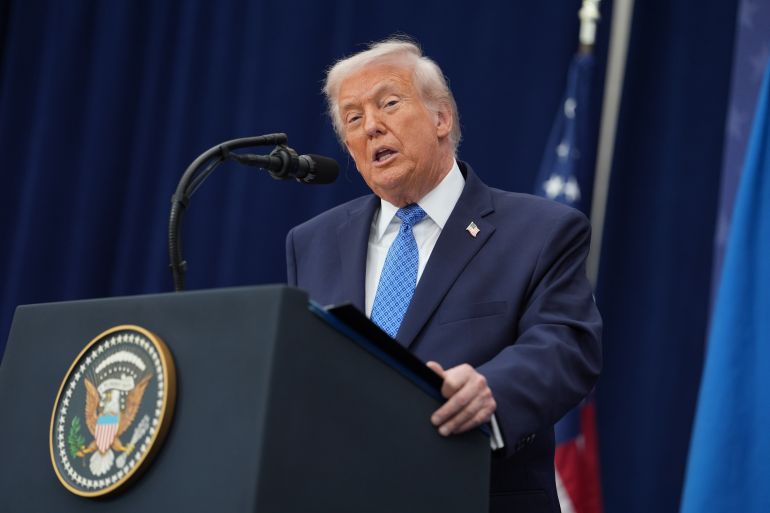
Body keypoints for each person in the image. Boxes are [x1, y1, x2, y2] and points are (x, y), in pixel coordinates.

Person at [285, 37, 601, 513]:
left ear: (441, 117)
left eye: (388, 103)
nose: (371, 126)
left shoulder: (540, 231)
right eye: (353, 118)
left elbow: (566, 345)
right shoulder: (312, 243)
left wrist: (491, 390)